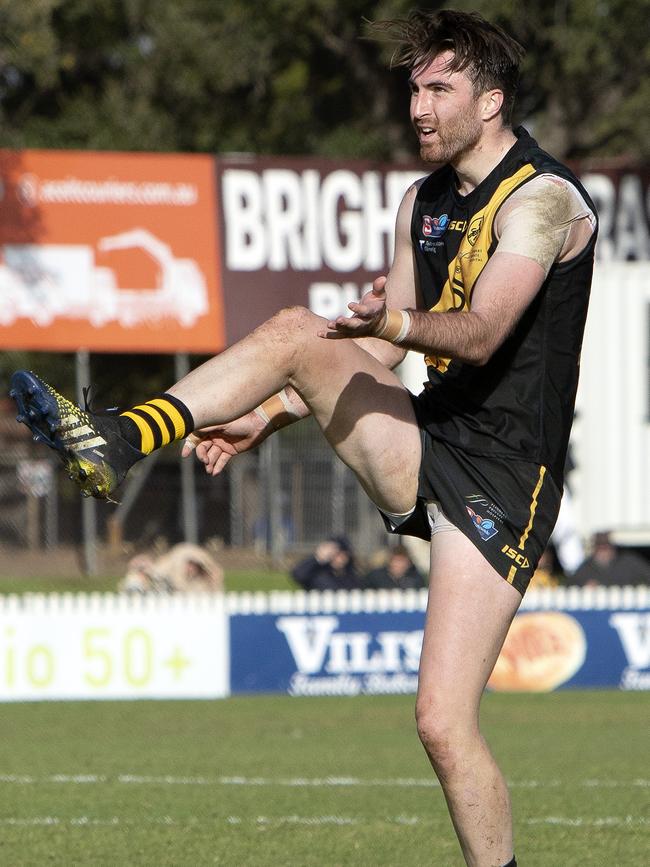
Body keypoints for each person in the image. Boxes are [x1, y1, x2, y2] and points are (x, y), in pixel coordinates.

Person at [10, 10, 597, 866]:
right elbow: (388, 347)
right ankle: (118, 436)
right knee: (292, 332)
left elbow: (478, 332)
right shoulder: (422, 201)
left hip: (508, 480)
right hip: (429, 437)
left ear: (493, 100)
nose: (419, 107)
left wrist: (389, 318)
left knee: (440, 720)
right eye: (414, 89)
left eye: (440, 89)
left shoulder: (544, 199)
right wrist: (268, 413)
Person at [118, 543, 224, 593]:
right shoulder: (172, 565)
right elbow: (156, 572)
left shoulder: (202, 583)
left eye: (194, 566)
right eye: (190, 564)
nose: (191, 568)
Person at [571, 531, 650, 587]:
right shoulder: (585, 567)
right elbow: (568, 587)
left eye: (605, 544)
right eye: (599, 545)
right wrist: (583, 588)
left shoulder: (629, 562)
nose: (603, 549)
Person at [290, 536, 360, 591]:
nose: (339, 558)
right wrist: (317, 558)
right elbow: (298, 575)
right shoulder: (318, 574)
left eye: (344, 554)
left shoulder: (350, 576)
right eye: (336, 554)